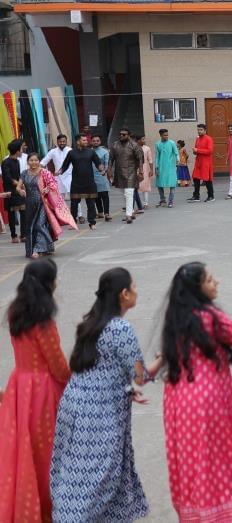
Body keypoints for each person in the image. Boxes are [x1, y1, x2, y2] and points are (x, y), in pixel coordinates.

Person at [50, 267, 158, 523]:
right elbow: (140, 375)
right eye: (134, 286)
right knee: (96, 480)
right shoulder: (120, 329)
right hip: (99, 416)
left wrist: (126, 389)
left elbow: (101, 368)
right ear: (124, 294)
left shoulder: (91, 322)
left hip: (74, 408)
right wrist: (162, 360)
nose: (136, 291)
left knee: (73, 474)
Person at [158, 262, 232, 523]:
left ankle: (195, 515)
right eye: (210, 279)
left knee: (190, 461)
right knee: (215, 459)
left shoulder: (176, 317)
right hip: (209, 402)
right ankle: (221, 516)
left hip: (178, 401)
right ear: (197, 288)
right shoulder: (210, 316)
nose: (216, 281)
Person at [0, 258, 69, 523]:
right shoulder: (44, 322)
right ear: (47, 284)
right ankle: (47, 512)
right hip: (42, 393)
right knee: (46, 456)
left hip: (19, 388)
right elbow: (58, 366)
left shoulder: (15, 314)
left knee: (22, 453)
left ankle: (26, 508)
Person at [17, 153, 73, 258]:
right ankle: (39, 248)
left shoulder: (45, 172)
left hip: (43, 203)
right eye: (31, 160)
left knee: (39, 225)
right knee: (30, 227)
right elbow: (18, 187)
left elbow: (53, 184)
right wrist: (20, 191)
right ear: (28, 162)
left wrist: (48, 188)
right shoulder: (24, 173)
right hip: (29, 204)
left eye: (36, 160)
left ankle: (37, 250)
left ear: (39, 161)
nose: (33, 162)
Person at [59, 133, 103, 229]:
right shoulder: (71, 153)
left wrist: (101, 169)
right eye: (84, 140)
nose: (86, 142)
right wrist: (59, 172)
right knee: (74, 203)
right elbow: (65, 165)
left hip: (89, 182)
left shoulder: (91, 152)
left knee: (91, 203)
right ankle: (73, 222)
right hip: (76, 182)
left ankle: (92, 223)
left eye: (86, 140)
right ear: (78, 141)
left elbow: (98, 162)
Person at [108, 129, 144, 222]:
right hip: (119, 173)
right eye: (120, 134)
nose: (121, 136)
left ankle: (128, 215)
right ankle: (131, 211)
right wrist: (109, 170)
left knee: (129, 193)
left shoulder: (134, 145)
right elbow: (111, 159)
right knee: (124, 194)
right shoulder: (115, 145)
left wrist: (141, 171)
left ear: (129, 135)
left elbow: (140, 159)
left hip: (131, 173)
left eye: (124, 135)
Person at [3, 139, 25, 242]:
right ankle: (13, 235)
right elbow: (7, 177)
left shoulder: (17, 161)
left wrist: (21, 185)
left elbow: (18, 176)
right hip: (10, 191)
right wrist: (19, 184)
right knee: (12, 214)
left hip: (18, 190)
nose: (22, 150)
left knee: (23, 211)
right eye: (21, 148)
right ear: (17, 151)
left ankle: (23, 234)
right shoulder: (6, 162)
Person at [41, 134, 72, 204]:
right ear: (57, 142)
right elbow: (43, 162)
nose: (62, 143)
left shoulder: (70, 150)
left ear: (66, 141)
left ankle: (78, 214)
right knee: (60, 198)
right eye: (60, 141)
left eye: (64, 141)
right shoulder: (53, 151)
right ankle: (61, 214)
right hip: (58, 177)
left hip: (70, 177)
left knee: (74, 197)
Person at [190, 124, 215, 203]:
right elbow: (196, 151)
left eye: (201, 130)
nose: (199, 131)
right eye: (198, 130)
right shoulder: (197, 139)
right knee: (195, 178)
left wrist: (198, 150)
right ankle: (196, 196)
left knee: (207, 180)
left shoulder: (209, 139)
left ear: (205, 130)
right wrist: (194, 151)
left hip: (206, 162)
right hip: (198, 162)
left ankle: (211, 196)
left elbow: (210, 151)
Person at [154, 129, 178, 208]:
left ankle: (170, 201)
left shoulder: (172, 143)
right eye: (164, 135)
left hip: (171, 167)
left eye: (167, 135)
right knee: (159, 184)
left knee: (172, 184)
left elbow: (176, 153)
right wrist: (156, 167)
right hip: (161, 167)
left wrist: (178, 160)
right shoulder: (157, 144)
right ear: (160, 135)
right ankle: (163, 200)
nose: (166, 136)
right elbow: (157, 157)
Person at [91, 135, 112, 221]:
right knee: (96, 196)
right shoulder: (89, 152)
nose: (95, 142)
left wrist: (105, 171)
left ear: (100, 142)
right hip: (92, 177)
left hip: (102, 175)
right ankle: (100, 212)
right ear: (91, 142)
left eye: (97, 140)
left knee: (104, 195)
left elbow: (107, 164)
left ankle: (106, 213)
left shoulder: (105, 152)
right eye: (94, 141)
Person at [137, 134, 154, 210]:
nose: (144, 141)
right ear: (138, 140)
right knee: (135, 187)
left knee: (145, 187)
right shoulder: (133, 148)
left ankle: (145, 203)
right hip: (135, 169)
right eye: (143, 139)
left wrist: (151, 170)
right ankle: (137, 203)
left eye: (144, 139)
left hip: (145, 169)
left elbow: (150, 160)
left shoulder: (147, 148)